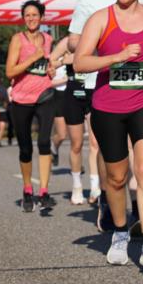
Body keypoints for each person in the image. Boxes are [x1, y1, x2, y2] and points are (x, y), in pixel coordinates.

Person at [74, 0, 143, 268]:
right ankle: (119, 233)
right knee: (116, 178)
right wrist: (116, 57)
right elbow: (80, 63)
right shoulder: (100, 19)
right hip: (107, 106)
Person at [67, 0, 140, 226]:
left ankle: (134, 202)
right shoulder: (90, 1)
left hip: (133, 79)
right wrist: (101, 43)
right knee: (101, 144)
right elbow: (74, 42)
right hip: (98, 79)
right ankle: (106, 197)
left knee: (134, 144)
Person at [6, 0, 57, 212]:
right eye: (27, 15)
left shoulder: (48, 39)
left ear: (42, 17)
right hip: (21, 98)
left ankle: (44, 190)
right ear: (23, 18)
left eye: (35, 15)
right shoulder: (18, 40)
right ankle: (28, 189)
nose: (31, 18)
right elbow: (10, 72)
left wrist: (51, 69)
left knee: (44, 142)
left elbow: (47, 63)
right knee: (25, 148)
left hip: (45, 95)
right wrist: (32, 59)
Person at [49, 37, 97, 206]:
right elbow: (51, 62)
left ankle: (95, 188)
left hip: (94, 91)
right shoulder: (69, 41)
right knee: (76, 144)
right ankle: (77, 187)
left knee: (95, 143)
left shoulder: (99, 33)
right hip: (73, 93)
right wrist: (62, 61)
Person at [48, 41, 69, 168]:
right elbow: (47, 83)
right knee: (62, 134)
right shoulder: (54, 62)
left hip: (74, 95)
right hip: (58, 96)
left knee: (77, 136)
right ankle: (54, 148)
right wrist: (65, 79)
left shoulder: (78, 57)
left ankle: (76, 163)